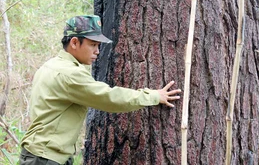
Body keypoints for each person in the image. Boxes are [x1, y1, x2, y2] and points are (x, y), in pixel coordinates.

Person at [19, 15, 181, 165]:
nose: (97, 51)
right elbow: (109, 97)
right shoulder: (70, 74)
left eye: (98, 45)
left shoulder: (51, 65)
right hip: (45, 158)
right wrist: (152, 96)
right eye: (93, 45)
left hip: (41, 154)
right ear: (74, 43)